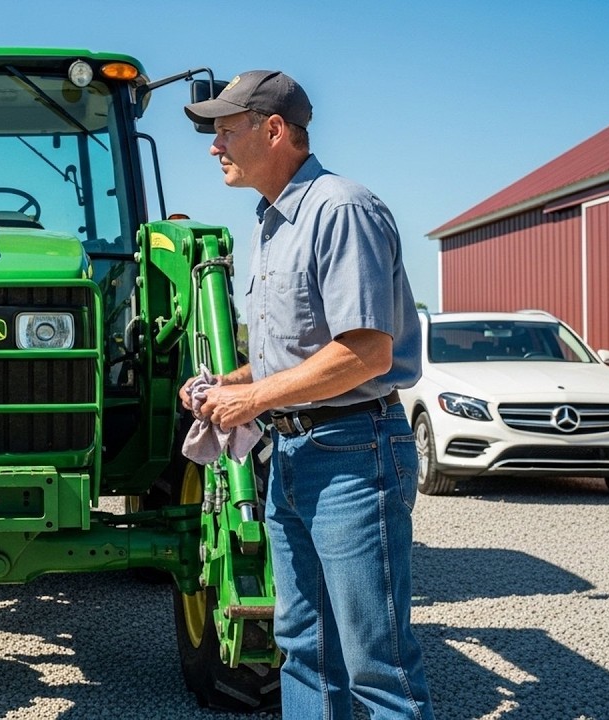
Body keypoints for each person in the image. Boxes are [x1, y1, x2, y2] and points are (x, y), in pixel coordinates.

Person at [181, 71, 433, 719]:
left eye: (225, 130)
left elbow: (366, 352)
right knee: (303, 645)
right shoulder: (273, 223)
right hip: (293, 457)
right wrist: (226, 386)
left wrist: (255, 399)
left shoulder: (339, 210)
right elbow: (288, 355)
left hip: (353, 454)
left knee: (374, 661)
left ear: (274, 129)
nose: (214, 145)